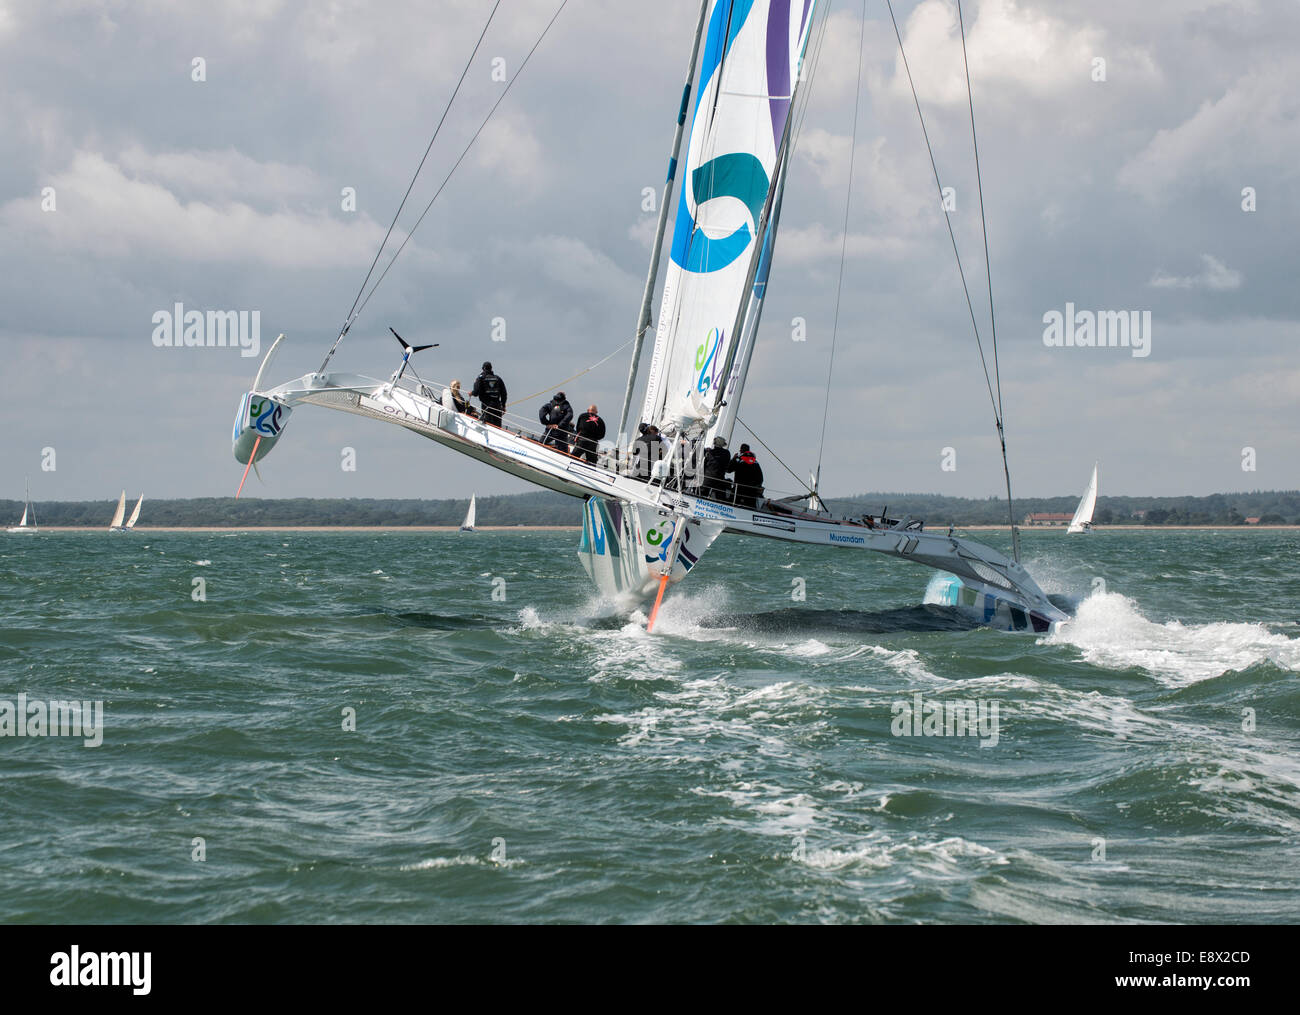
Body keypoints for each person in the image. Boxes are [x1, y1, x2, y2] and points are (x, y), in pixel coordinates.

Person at [472, 362, 507, 428]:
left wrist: (471, 393)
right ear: (491, 369)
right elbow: (504, 394)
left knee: (488, 427)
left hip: (487, 407)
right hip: (497, 407)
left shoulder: (481, 378)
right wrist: (503, 406)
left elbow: (475, 393)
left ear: (483, 369)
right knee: (497, 428)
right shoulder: (498, 379)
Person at [730, 443, 764, 508]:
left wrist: (733, 459)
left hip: (739, 489)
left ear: (741, 450)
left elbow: (728, 469)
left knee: (732, 504)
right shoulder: (755, 462)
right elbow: (760, 478)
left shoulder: (738, 459)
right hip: (752, 491)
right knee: (750, 507)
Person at [700, 436, 733, 502]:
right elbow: (727, 465)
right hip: (719, 478)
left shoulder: (709, 452)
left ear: (714, 443)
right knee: (721, 498)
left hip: (708, 478)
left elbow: (704, 465)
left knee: (701, 495)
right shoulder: (727, 453)